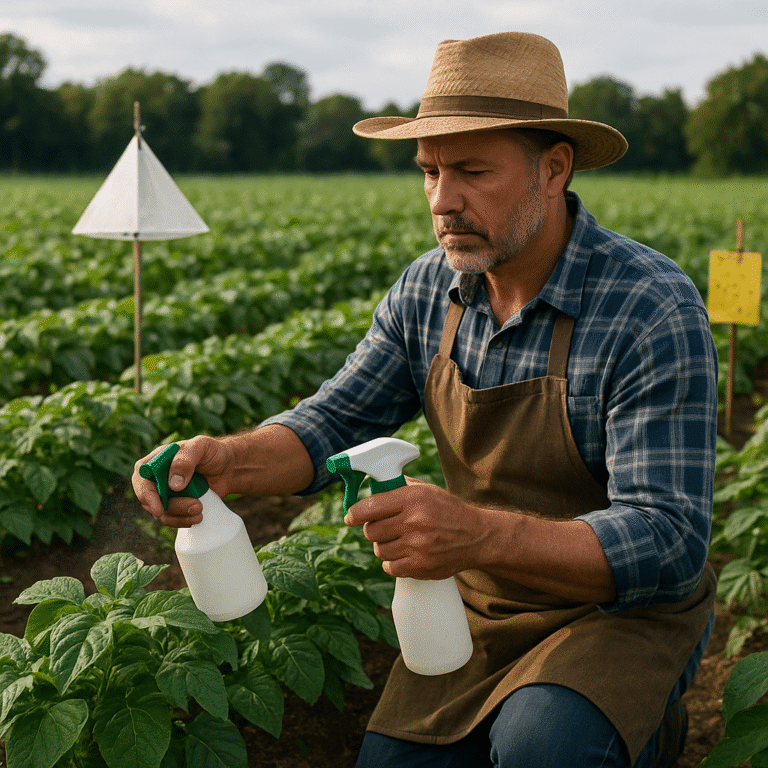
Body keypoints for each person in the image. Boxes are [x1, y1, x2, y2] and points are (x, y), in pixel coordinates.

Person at [132, 31, 718, 768]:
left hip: (619, 616)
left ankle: (644, 732)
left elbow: (667, 542)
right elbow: (333, 423)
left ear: (553, 168)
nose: (444, 200)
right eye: (429, 171)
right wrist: (229, 460)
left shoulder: (649, 307)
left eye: (472, 170)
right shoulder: (426, 291)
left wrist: (476, 536)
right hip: (474, 606)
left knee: (547, 745)